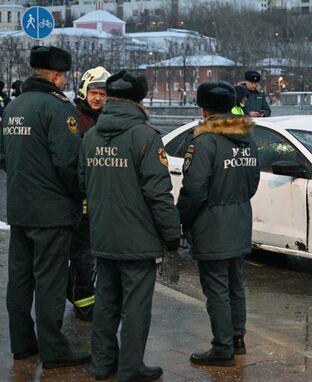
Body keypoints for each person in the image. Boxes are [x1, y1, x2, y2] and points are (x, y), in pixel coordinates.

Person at [79, 69, 180, 381]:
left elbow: (83, 183)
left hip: (103, 236)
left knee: (106, 302)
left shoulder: (91, 136)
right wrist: (172, 235)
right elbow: (158, 193)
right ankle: (131, 368)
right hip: (138, 239)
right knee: (135, 307)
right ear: (141, 99)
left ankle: (102, 364)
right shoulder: (145, 136)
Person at [0, 45, 90, 368]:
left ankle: (23, 343)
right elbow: (68, 162)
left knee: (20, 278)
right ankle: (54, 351)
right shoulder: (58, 108)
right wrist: (78, 194)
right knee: (50, 281)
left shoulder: (13, 107)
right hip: (52, 213)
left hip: (20, 209)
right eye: (63, 76)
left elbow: (4, 157)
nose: (64, 81)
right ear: (55, 76)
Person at [177, 81, 260, 367]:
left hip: (211, 225)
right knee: (236, 284)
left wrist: (181, 220)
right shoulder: (247, 138)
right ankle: (237, 340)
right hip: (239, 221)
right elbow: (253, 183)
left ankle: (222, 348)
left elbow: (194, 189)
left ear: (203, 109)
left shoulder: (203, 141)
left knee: (216, 289)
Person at [67, 66, 111, 322]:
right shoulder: (74, 119)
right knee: (83, 254)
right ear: (85, 91)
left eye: (103, 94)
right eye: (94, 92)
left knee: (91, 254)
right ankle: (83, 302)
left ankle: (81, 295)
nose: (97, 98)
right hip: (80, 200)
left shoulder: (105, 119)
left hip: (100, 199)